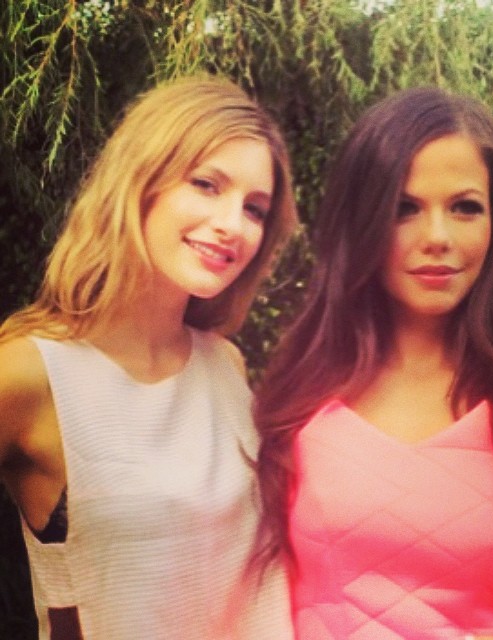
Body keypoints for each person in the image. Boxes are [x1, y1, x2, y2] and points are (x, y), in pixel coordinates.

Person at [254, 86, 493, 639]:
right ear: (361, 221)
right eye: (404, 208)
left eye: (465, 207)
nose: (436, 237)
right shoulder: (302, 381)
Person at [0, 74, 297, 639]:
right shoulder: (30, 370)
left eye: (255, 209)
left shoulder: (224, 365)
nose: (232, 224)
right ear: (140, 180)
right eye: (206, 184)